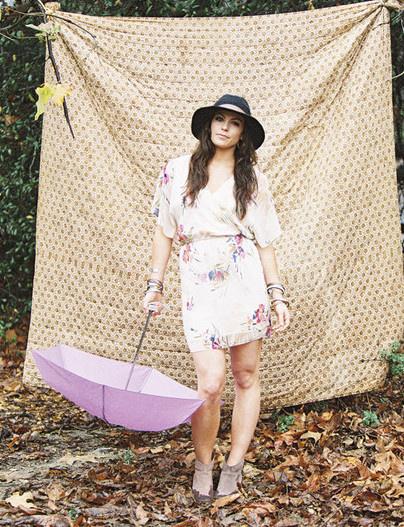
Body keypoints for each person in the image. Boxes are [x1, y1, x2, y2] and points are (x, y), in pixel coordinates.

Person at [142, 94, 290, 502]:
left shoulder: (253, 180)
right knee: (209, 384)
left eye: (235, 123)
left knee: (245, 376)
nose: (225, 127)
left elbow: (265, 242)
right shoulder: (177, 170)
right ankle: (203, 464)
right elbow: (164, 231)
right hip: (199, 286)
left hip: (245, 284)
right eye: (220, 119)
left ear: (243, 134)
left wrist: (277, 295)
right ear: (208, 124)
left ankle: (235, 464)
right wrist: (155, 283)